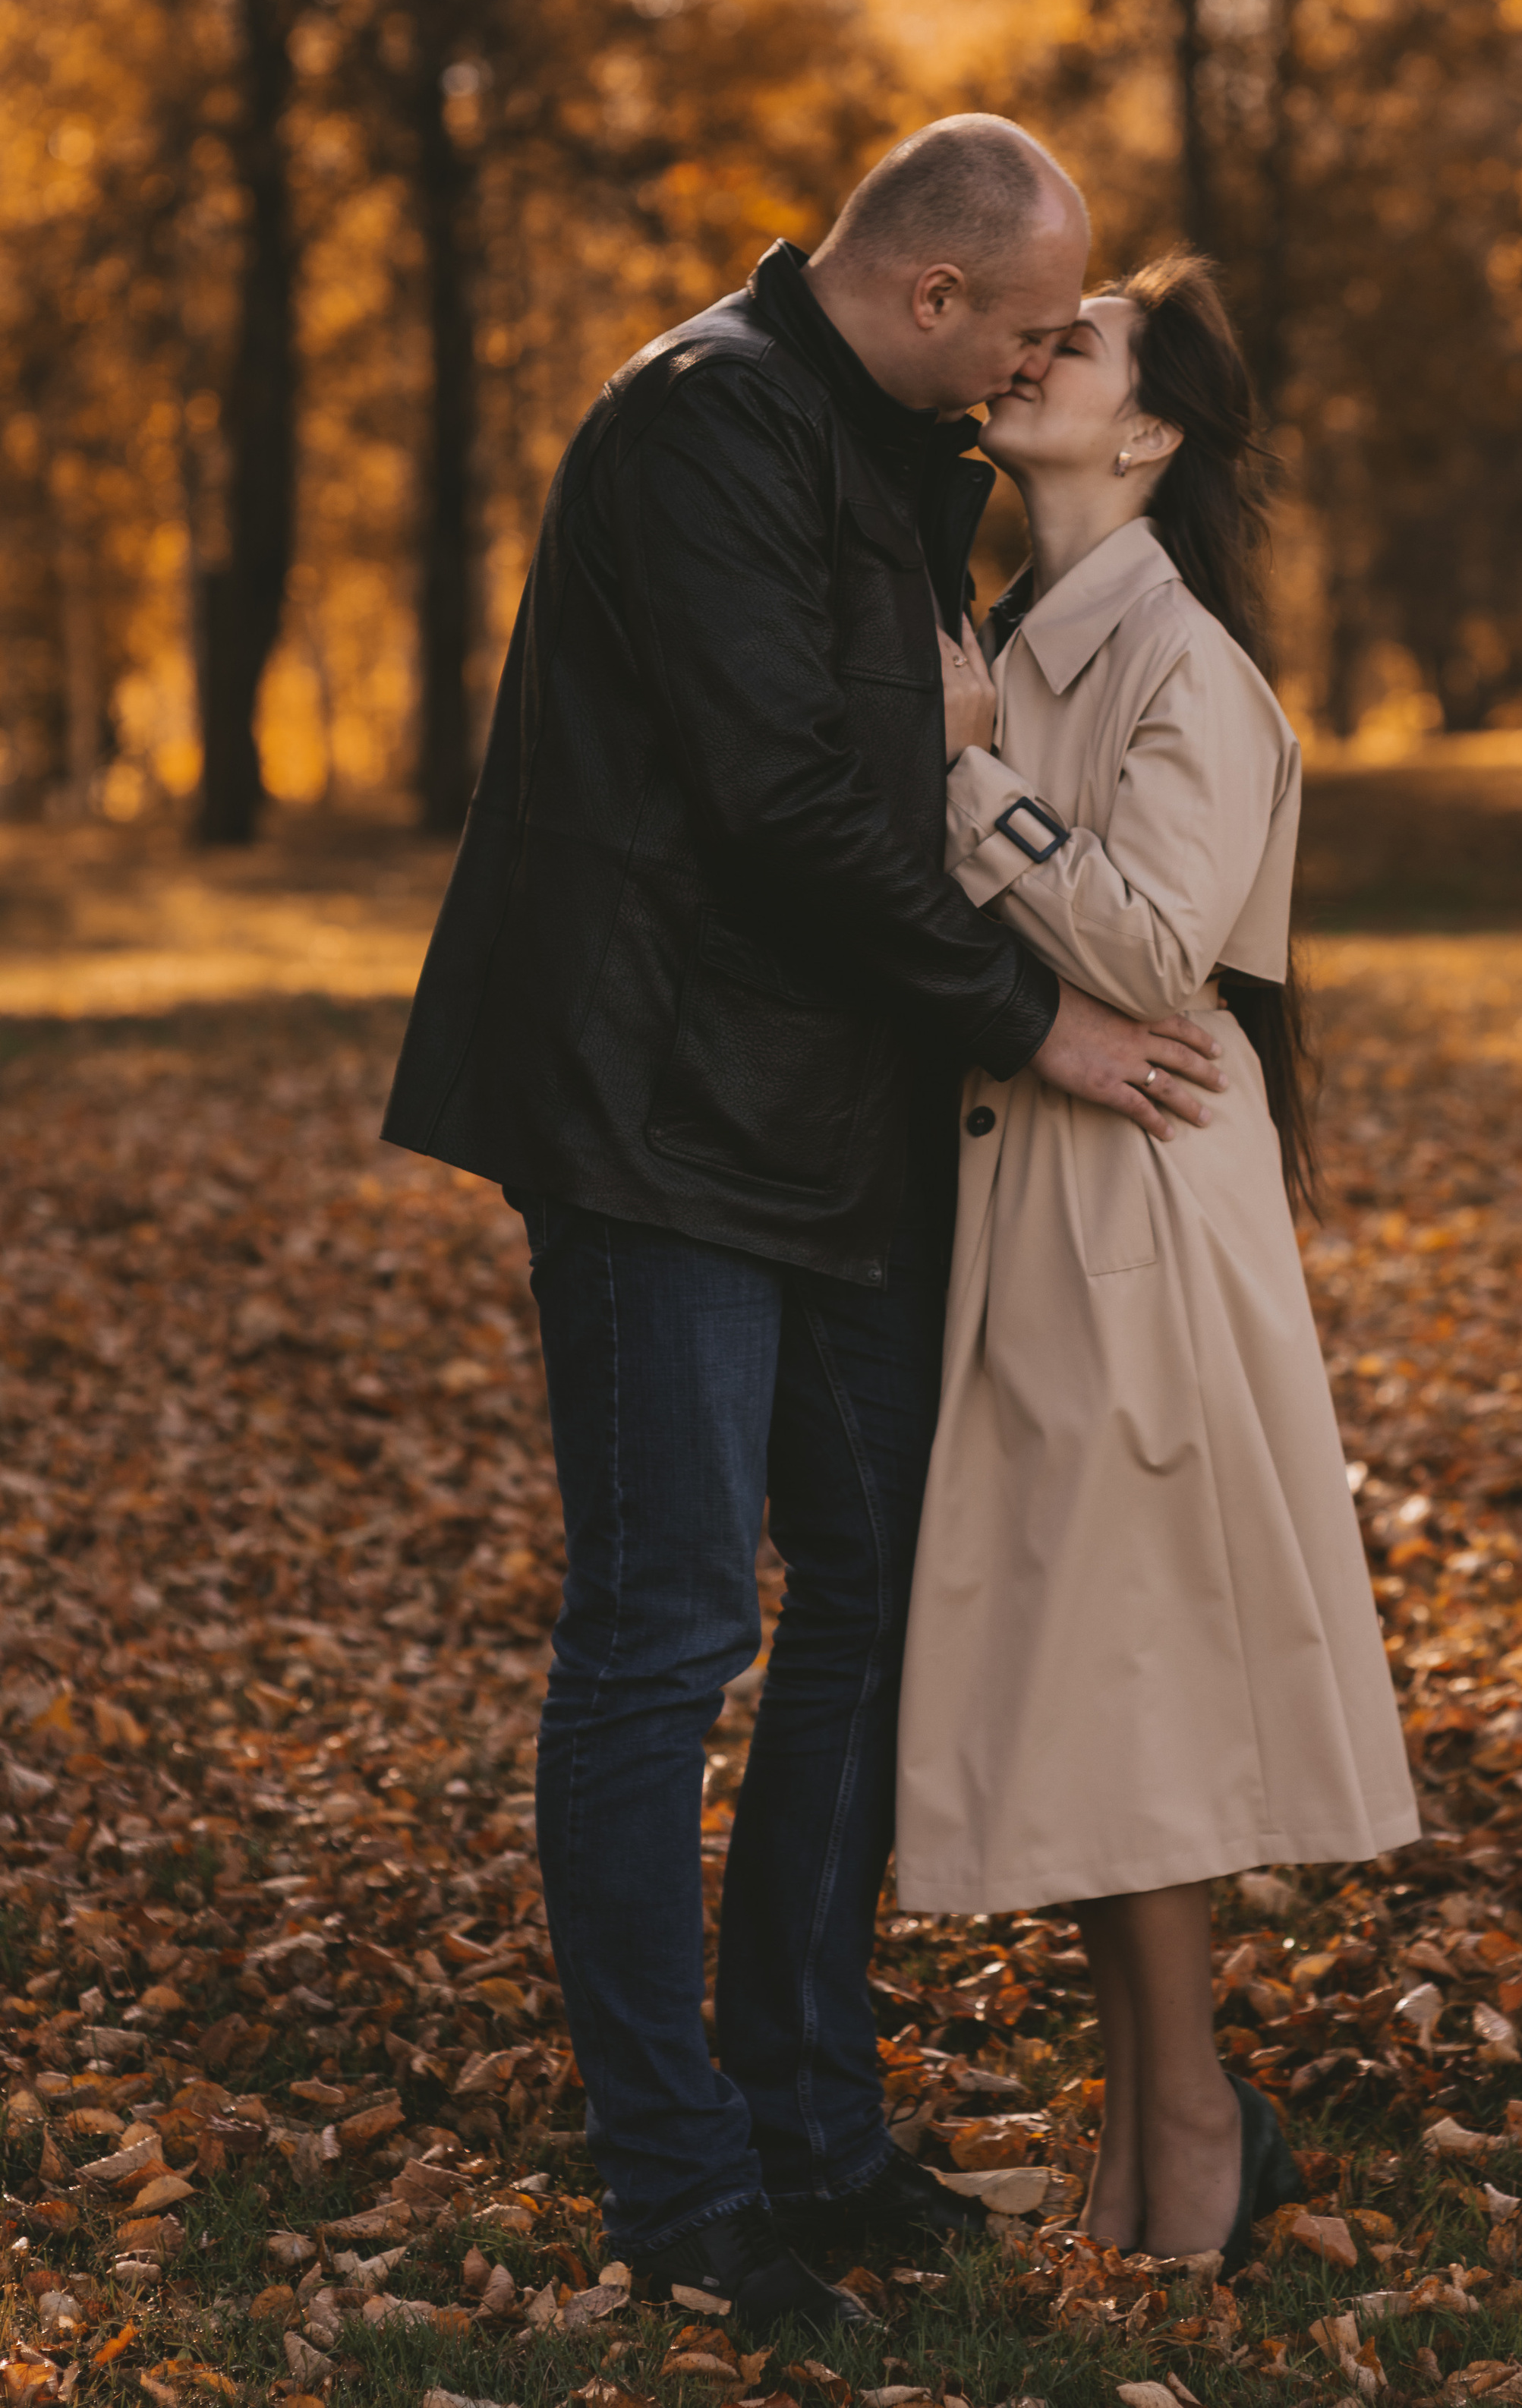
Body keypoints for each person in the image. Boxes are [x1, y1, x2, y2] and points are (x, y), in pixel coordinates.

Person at [380, 119, 1228, 2334]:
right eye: (1032, 325)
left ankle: (817, 2128)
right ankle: (682, 2188)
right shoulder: (704, 430)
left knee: (865, 1600)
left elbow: (922, 786)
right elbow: (779, 810)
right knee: (668, 1635)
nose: (1046, 355)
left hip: (835, 1125)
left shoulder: (887, 456)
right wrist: (1028, 1018)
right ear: (932, 298)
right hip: (655, 1121)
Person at [895, 253, 1421, 2267]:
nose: (1027, 360)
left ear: (1151, 431)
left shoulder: (1182, 663)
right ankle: (1160, 2131)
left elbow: (1145, 947)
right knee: (1089, 1685)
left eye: (1075, 344)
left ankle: (1189, 2135)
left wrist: (964, 774)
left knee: (1131, 1682)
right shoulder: (1015, 630)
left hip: (1135, 1214)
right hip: (1038, 1190)